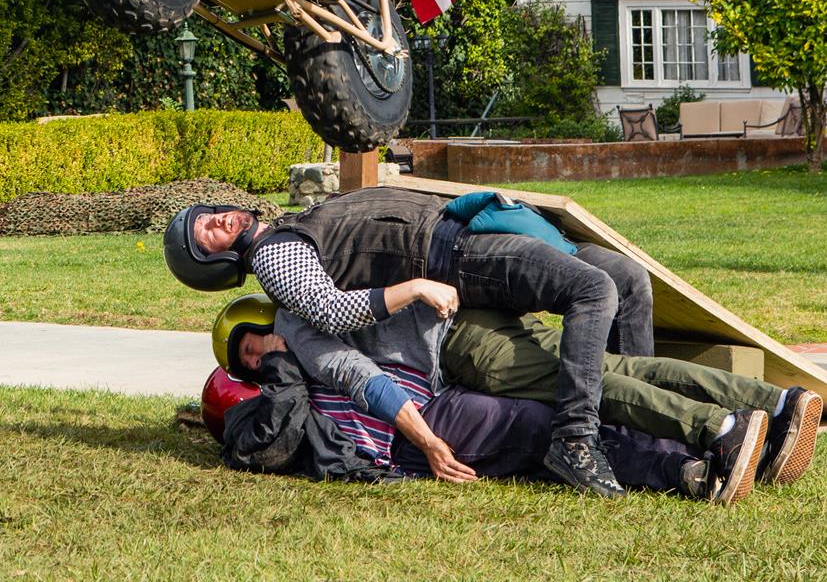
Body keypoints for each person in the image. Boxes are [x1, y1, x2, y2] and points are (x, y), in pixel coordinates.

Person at [164, 188, 655, 497]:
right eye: (207, 230)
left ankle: (637, 430)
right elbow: (329, 311)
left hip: (474, 225)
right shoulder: (273, 254)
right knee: (593, 289)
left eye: (210, 213)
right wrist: (415, 288)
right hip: (457, 254)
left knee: (629, 280)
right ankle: (576, 440)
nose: (219, 218)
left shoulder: (297, 220)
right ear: (213, 265)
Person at [212, 293, 822, 504]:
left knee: (588, 388)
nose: (257, 357)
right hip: (448, 375)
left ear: (266, 319)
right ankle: (764, 413)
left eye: (253, 343)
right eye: (246, 361)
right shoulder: (296, 369)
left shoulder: (312, 321)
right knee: (588, 389)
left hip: (455, 363)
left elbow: (371, 379)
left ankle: (728, 429)